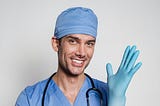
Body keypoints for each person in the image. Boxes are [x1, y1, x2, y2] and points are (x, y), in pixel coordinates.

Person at [15, 7, 142, 106]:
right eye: (73, 41)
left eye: (89, 43)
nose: (81, 52)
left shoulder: (107, 94)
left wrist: (116, 100)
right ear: (56, 44)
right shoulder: (30, 98)